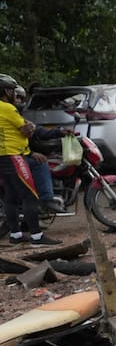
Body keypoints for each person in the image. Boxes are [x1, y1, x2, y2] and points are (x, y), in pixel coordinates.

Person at [0, 75, 61, 245]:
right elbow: (26, 129)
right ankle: (36, 236)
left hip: (2, 157)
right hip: (14, 156)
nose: (15, 95)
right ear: (6, 91)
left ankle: (16, 235)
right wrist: (30, 128)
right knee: (29, 196)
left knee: (11, 197)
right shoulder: (7, 108)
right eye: (13, 91)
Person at [12, 84, 69, 213]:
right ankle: (46, 199)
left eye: (21, 98)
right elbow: (10, 142)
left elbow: (37, 130)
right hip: (11, 157)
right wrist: (31, 154)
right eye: (18, 98)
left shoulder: (14, 115)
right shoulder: (8, 114)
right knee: (40, 163)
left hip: (14, 155)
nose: (21, 102)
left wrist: (59, 132)